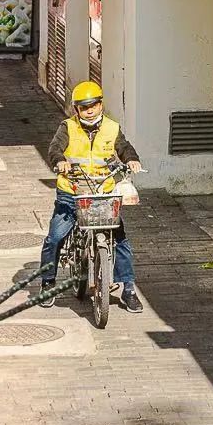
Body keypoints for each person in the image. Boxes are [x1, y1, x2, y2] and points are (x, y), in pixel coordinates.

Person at [38, 81, 144, 313]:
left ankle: (128, 289)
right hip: (72, 192)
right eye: (84, 107)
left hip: (102, 192)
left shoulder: (112, 128)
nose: (89, 110)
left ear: (100, 104)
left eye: (94, 105)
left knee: (120, 239)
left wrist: (131, 160)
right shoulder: (67, 127)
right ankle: (47, 281)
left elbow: (124, 148)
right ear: (76, 109)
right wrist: (59, 162)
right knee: (55, 237)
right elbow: (55, 148)